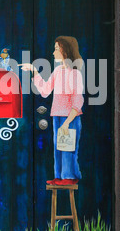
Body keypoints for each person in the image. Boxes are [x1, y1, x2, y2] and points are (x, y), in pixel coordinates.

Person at [18, 36, 84, 186]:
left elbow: (78, 101)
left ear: (65, 51)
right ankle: (60, 176)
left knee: (68, 148)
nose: (53, 52)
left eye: (56, 49)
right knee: (59, 147)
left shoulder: (75, 74)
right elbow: (45, 91)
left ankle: (69, 175)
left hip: (70, 118)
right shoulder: (58, 72)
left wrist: (67, 122)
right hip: (57, 116)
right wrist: (34, 71)